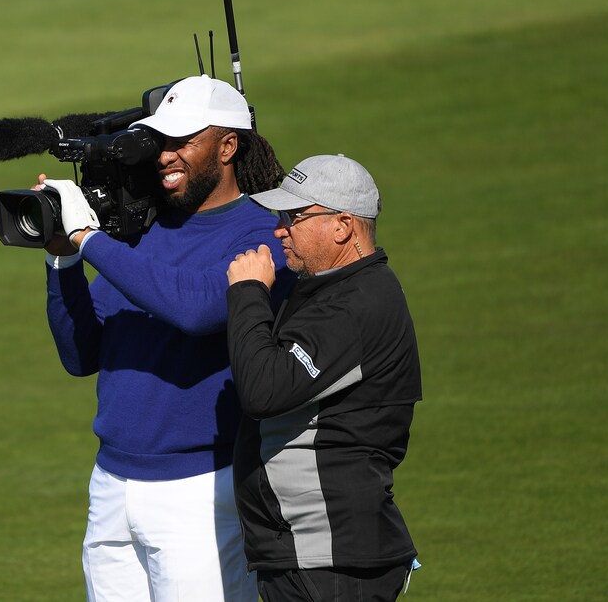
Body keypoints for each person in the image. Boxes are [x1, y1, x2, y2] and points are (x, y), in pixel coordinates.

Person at [37, 75, 293, 601]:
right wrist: (62, 257)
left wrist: (89, 239)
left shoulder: (263, 231)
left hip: (199, 491)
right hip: (111, 484)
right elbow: (80, 354)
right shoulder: (145, 233)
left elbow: (197, 309)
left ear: (227, 146)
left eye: (183, 141)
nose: (165, 156)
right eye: (161, 141)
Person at [225, 154, 422, 601]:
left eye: (295, 217)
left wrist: (248, 293)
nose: (280, 230)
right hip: (315, 552)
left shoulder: (356, 306)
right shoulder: (333, 291)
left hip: (332, 558)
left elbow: (264, 389)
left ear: (343, 227)